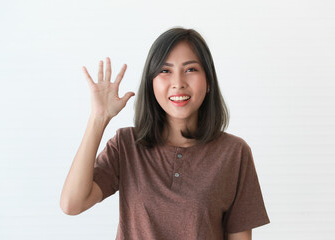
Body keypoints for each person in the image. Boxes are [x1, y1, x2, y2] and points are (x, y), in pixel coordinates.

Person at [60, 27, 270, 240]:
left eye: (190, 70)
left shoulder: (234, 153)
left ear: (208, 82)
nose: (178, 83)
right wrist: (99, 118)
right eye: (165, 70)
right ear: (151, 83)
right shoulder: (126, 144)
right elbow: (72, 204)